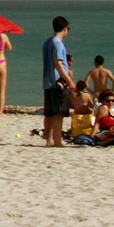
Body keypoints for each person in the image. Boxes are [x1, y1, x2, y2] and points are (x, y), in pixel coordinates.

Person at [42, 16, 74, 148]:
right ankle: (57, 141)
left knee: (49, 113)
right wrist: (69, 80)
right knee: (58, 113)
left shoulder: (47, 42)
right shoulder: (57, 43)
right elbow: (58, 64)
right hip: (57, 82)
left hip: (47, 81)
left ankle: (49, 140)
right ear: (65, 28)